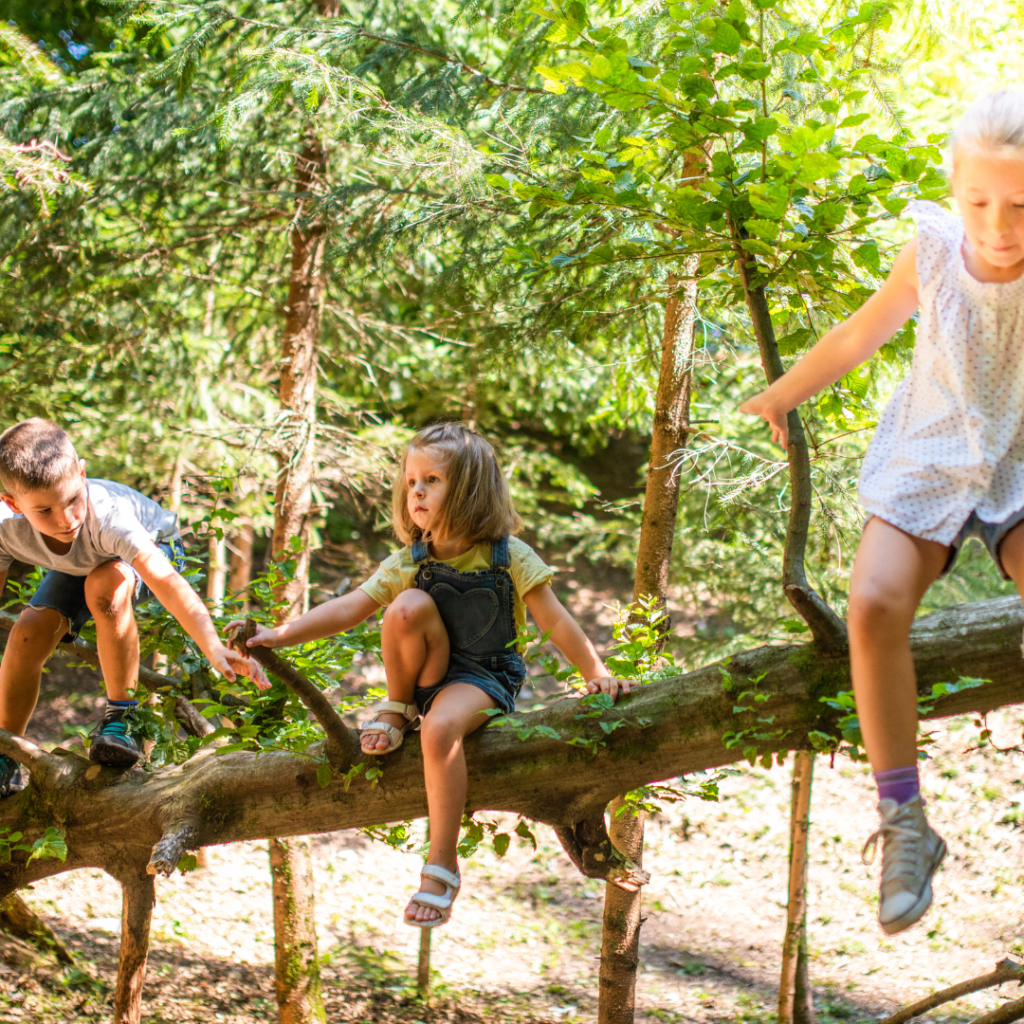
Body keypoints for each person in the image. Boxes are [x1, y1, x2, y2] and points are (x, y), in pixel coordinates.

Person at [740, 90, 1024, 935]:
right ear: (954, 189)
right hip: (929, 454)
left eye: (1020, 204)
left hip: (1021, 460)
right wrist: (781, 395)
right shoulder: (933, 251)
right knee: (871, 604)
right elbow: (859, 335)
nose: (998, 223)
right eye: (980, 200)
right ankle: (905, 821)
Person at [233, 422, 628, 928]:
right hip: (430, 674)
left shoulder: (509, 556)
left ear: (469, 490)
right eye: (411, 480)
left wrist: (595, 672)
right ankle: (398, 709)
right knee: (405, 606)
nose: (415, 490)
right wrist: (277, 634)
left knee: (440, 729)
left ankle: (441, 862)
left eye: (433, 480)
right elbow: (350, 607)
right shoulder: (411, 560)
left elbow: (556, 620)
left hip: (484, 678)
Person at [0, 419, 265, 793]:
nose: (66, 519)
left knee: (105, 586)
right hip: (83, 563)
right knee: (27, 632)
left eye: (74, 499)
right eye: (44, 511)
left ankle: (120, 722)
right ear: (11, 503)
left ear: (82, 474)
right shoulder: (5, 526)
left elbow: (169, 583)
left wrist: (212, 645)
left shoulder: (110, 517)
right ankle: (6, 750)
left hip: (158, 545)